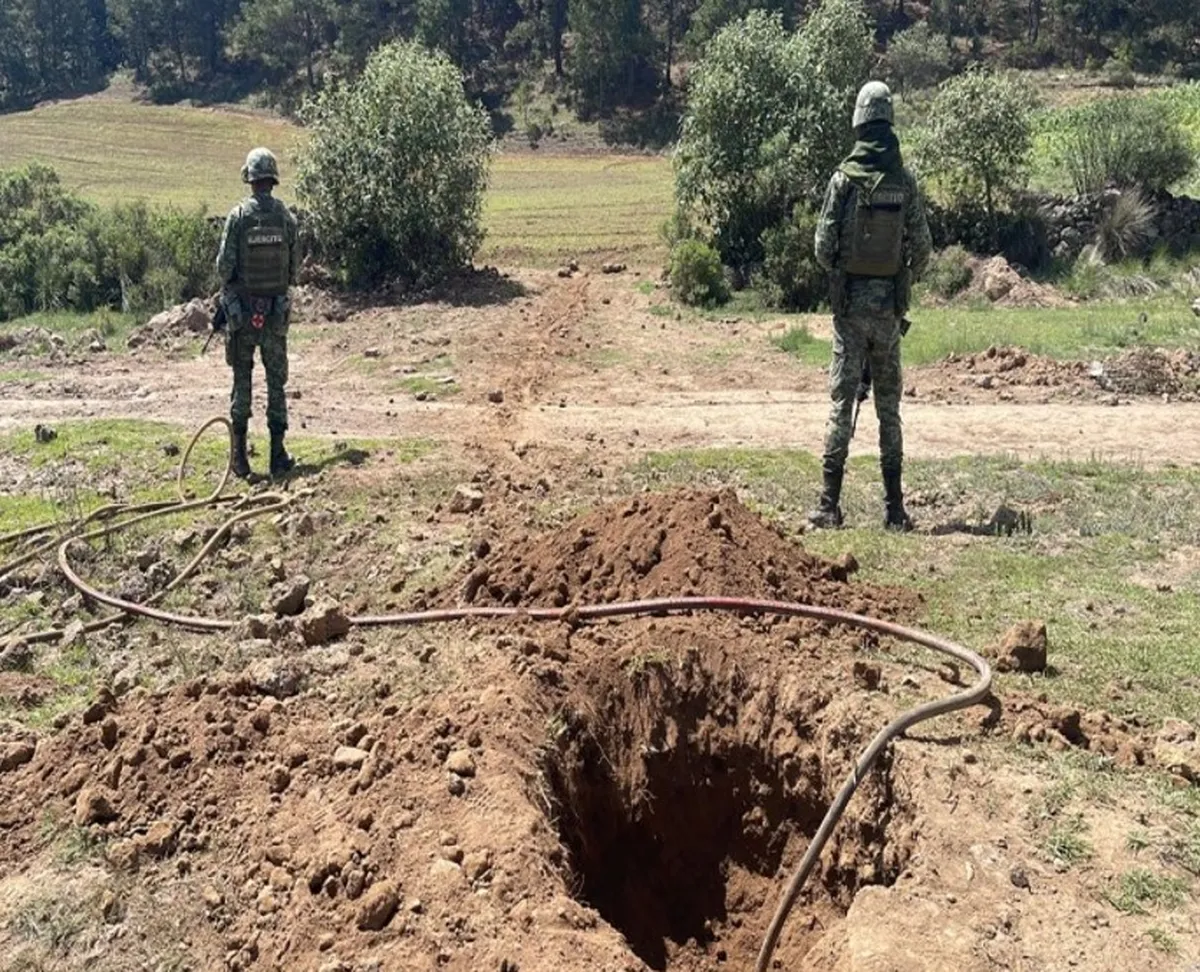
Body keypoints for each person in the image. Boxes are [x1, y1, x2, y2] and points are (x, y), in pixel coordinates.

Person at [810, 81, 931, 531]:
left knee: (842, 402)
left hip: (849, 312)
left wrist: (846, 269)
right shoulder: (905, 181)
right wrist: (898, 277)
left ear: (859, 120)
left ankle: (828, 504)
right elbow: (923, 249)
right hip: (888, 314)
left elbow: (823, 248)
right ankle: (895, 510)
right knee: (888, 409)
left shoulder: (843, 180)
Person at [215, 147, 300, 479]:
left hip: (243, 316)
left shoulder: (237, 218)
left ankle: (240, 460)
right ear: (273, 180)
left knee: (242, 383)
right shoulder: (286, 218)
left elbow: (224, 269)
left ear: (250, 180)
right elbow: (294, 273)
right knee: (276, 384)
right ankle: (278, 457)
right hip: (275, 315)